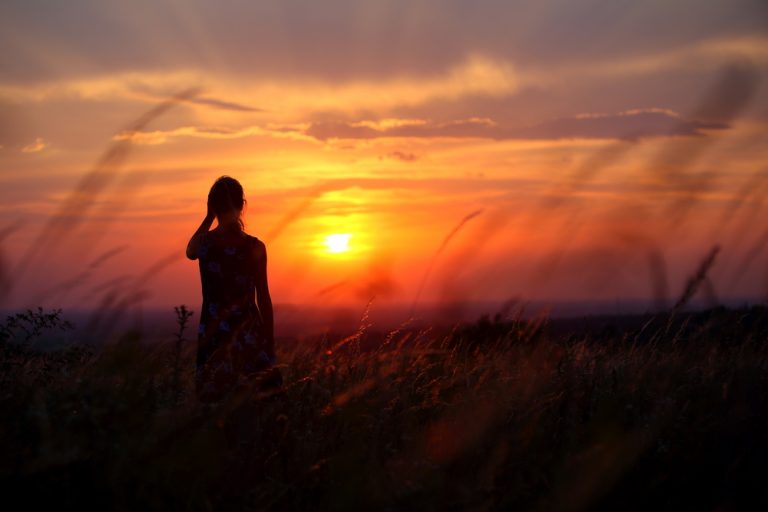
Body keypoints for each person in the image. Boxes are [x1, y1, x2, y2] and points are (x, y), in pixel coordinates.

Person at [186, 176, 280, 401]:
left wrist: (208, 216)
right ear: (242, 205)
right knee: (257, 404)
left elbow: (190, 251)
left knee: (215, 405)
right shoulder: (255, 247)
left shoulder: (205, 244)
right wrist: (269, 340)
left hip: (213, 333)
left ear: (214, 206)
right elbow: (264, 298)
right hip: (249, 334)